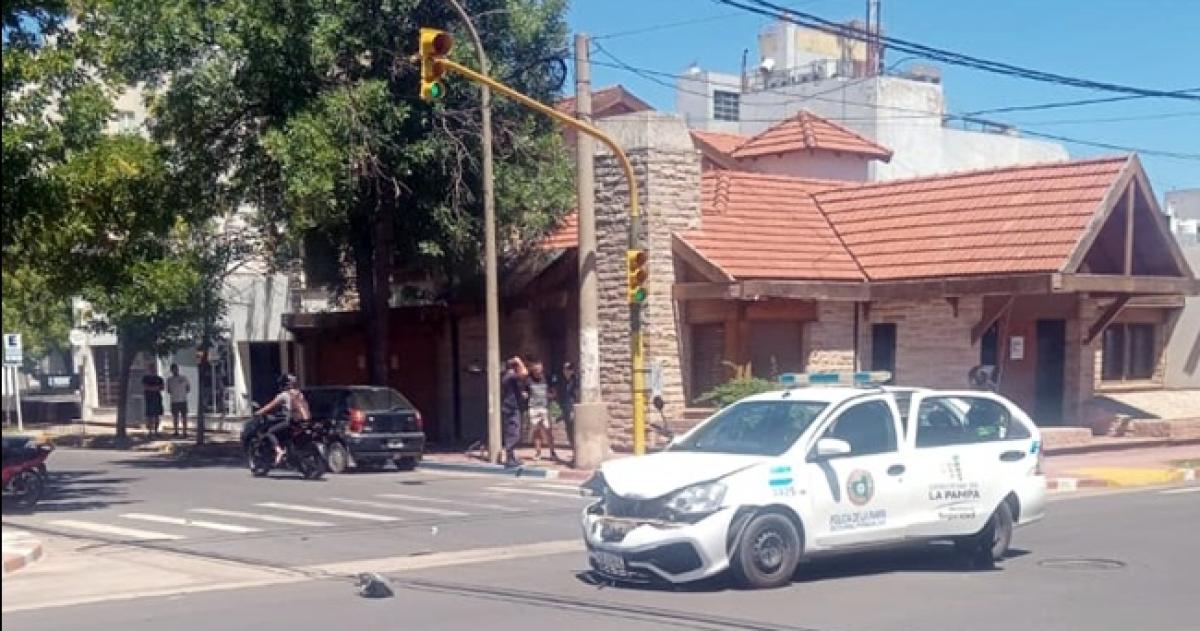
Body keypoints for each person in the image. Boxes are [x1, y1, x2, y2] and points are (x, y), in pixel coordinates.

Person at [254, 374, 311, 465]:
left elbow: (269, 406)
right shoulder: (300, 394)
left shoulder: (284, 395)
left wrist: (258, 413)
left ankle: (279, 451)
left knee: (270, 432)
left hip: (291, 422)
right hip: (303, 421)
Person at [500, 357, 528, 467]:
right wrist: (519, 360)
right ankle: (509, 458)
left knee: (514, 432)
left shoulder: (510, 378)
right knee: (514, 433)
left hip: (513, 407)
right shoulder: (509, 376)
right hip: (510, 408)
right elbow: (525, 372)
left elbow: (514, 390)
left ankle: (511, 457)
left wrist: (521, 395)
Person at [527, 361, 556, 462]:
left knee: (548, 431)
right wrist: (525, 395)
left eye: (539, 369)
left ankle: (552, 452)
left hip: (544, 408)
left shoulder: (547, 378)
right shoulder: (529, 380)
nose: (538, 372)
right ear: (533, 369)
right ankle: (538, 452)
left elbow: (553, 392)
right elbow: (525, 391)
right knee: (536, 431)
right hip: (533, 408)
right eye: (536, 370)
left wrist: (551, 396)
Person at [550, 361, 580, 454]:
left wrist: (573, 408)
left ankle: (577, 450)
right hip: (563, 405)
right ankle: (573, 449)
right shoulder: (559, 379)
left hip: (572, 405)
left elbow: (577, 392)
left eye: (569, 369)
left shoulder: (575, 379)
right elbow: (555, 391)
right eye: (565, 369)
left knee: (574, 428)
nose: (567, 371)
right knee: (569, 428)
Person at [166, 363, 191, 438]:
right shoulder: (170, 380)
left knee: (184, 416)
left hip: (183, 400)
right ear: (171, 370)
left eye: (176, 369)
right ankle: (176, 431)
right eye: (173, 369)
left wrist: (183, 393)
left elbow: (188, 388)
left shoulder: (184, 378)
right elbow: (168, 390)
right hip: (174, 400)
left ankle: (185, 432)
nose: (175, 370)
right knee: (175, 416)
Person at [141, 363, 165, 438]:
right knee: (149, 416)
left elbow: (162, 388)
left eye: (153, 368)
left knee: (157, 415)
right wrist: (155, 388)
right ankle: (150, 431)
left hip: (157, 398)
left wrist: (152, 388)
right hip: (149, 399)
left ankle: (156, 431)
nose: (152, 370)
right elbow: (145, 387)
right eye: (151, 368)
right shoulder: (145, 378)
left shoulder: (159, 378)